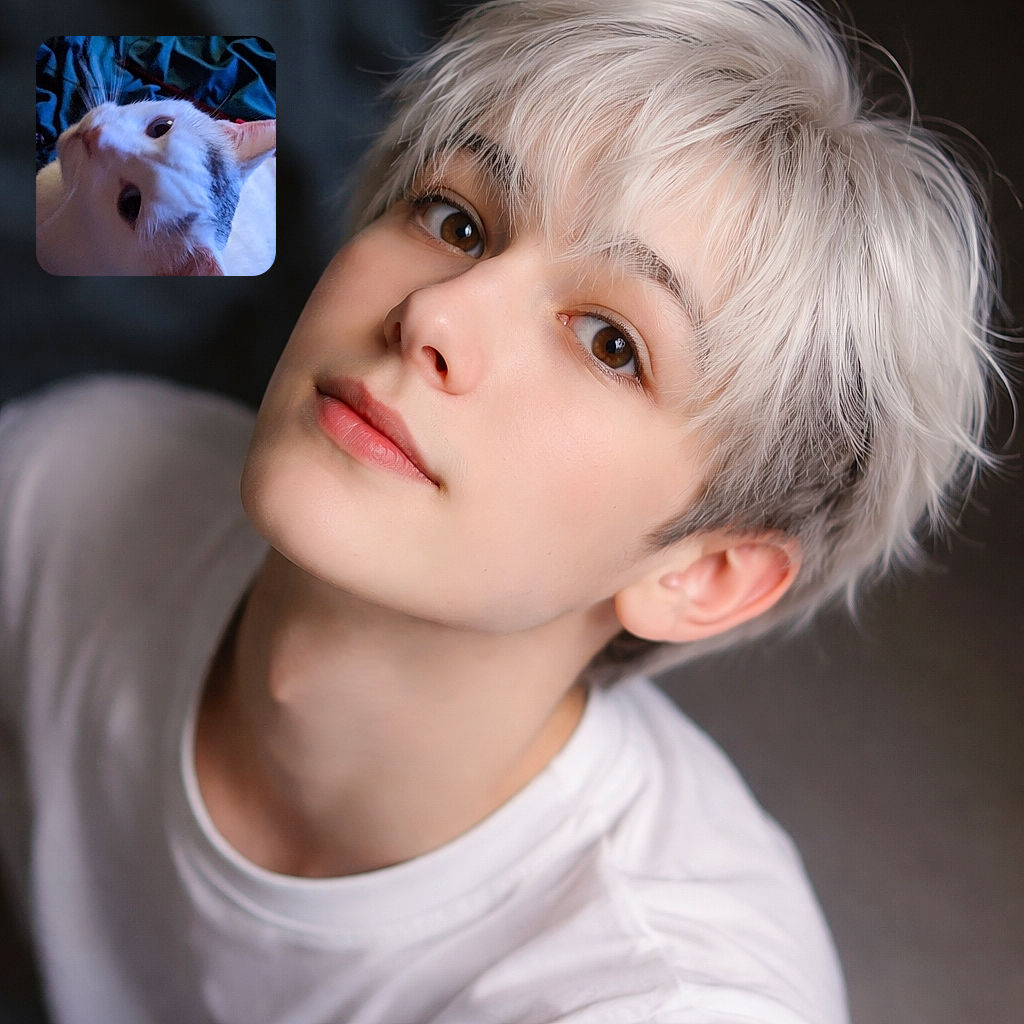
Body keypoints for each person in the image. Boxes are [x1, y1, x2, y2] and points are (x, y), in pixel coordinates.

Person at [0, 1, 1000, 1021]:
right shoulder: (74, 476)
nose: (434, 311)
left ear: (699, 574)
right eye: (456, 221)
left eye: (610, 341)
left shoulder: (665, 996)